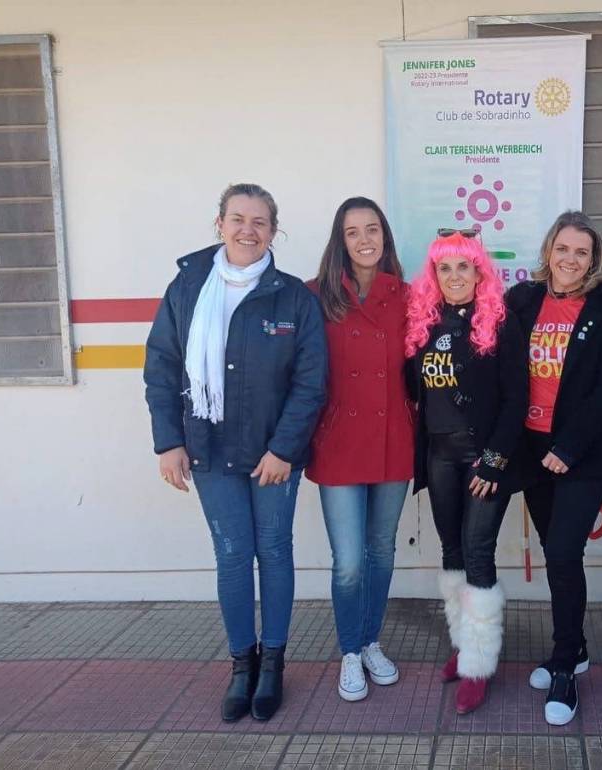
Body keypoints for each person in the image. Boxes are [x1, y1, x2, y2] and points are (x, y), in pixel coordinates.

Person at [144, 183, 327, 722]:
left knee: (273, 551)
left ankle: (273, 666)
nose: (248, 230)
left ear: (274, 231)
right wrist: (169, 441)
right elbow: (161, 367)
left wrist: (284, 449)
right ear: (219, 223)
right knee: (231, 555)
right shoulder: (187, 288)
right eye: (238, 219)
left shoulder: (294, 297)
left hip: (274, 456)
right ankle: (242, 667)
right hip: (209, 449)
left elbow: (311, 382)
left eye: (260, 221)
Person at [506, 211, 602, 726]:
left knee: (564, 553)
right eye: (562, 248)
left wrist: (569, 446)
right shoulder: (523, 301)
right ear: (548, 251)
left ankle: (565, 665)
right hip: (533, 451)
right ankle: (576, 647)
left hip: (581, 455)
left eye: (581, 252)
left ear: (594, 259)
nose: (570, 259)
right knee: (555, 553)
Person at [405, 229, 528, 714]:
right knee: (452, 550)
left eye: (464, 266)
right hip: (439, 456)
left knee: (477, 552)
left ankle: (479, 665)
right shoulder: (424, 323)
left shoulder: (500, 322)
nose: (454, 276)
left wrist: (495, 460)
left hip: (483, 459)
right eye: (445, 268)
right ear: (434, 275)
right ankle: (463, 644)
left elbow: (517, 398)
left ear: (480, 273)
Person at [306, 197, 414, 703]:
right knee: (348, 560)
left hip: (394, 438)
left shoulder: (408, 296)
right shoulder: (316, 296)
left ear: (384, 236)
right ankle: (350, 650)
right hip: (339, 442)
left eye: (372, 229)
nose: (364, 240)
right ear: (340, 241)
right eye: (353, 232)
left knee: (381, 550)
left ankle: (371, 641)